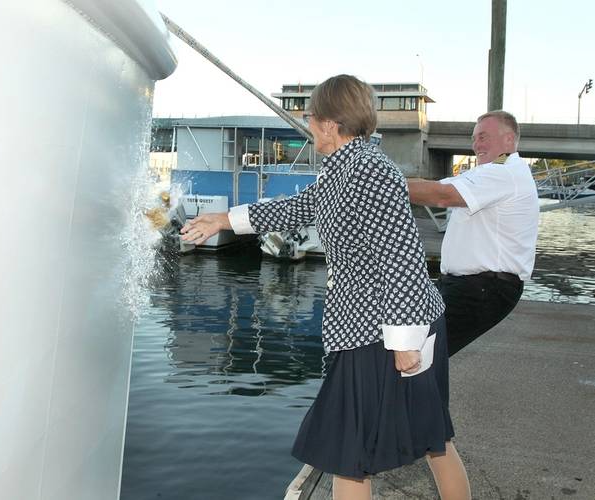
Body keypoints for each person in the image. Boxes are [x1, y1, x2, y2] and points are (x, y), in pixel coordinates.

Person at [182, 75, 470, 500]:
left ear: (331, 124)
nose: (309, 123)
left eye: (312, 117)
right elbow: (299, 207)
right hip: (381, 327)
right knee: (430, 439)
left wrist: (404, 341)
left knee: (350, 454)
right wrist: (223, 220)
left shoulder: (370, 169)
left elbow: (402, 254)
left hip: (381, 332)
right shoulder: (344, 168)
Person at [407, 110, 539, 356]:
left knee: (415, 355)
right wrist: (392, 180)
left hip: (482, 288)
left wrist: (382, 185)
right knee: (417, 355)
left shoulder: (505, 172)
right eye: (475, 138)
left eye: (484, 136)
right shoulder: (487, 172)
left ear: (509, 140)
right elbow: (436, 187)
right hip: (468, 286)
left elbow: (443, 196)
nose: (476, 144)